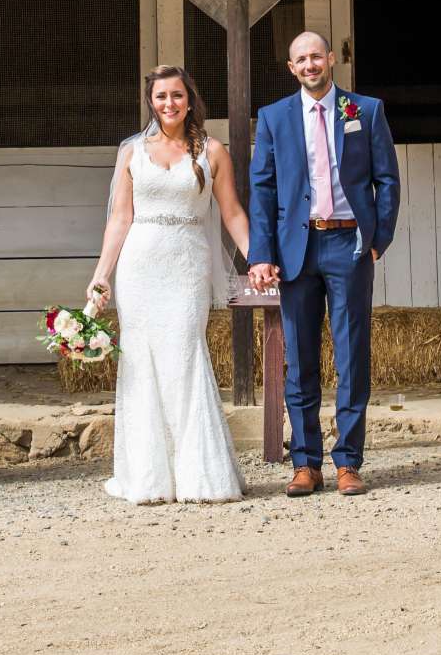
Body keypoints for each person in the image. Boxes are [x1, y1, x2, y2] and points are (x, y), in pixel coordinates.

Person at [89, 66, 255, 504]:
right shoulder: (132, 153)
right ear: (151, 102)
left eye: (177, 96)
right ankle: (148, 477)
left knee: (184, 357)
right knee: (141, 363)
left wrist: (256, 258)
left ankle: (201, 475)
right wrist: (101, 275)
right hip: (140, 265)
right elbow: (120, 218)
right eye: (161, 96)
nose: (169, 104)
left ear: (189, 99)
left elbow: (233, 212)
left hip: (186, 264)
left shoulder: (212, 150)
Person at [247, 32, 401, 498]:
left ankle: (349, 461)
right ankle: (305, 463)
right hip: (297, 249)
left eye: (317, 56)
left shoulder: (364, 110)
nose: (310, 64)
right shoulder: (274, 118)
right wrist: (262, 253)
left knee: (352, 355)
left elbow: (386, 178)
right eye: (301, 59)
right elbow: (264, 189)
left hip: (349, 245)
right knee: (300, 360)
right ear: (291, 68)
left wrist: (378, 238)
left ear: (330, 59)